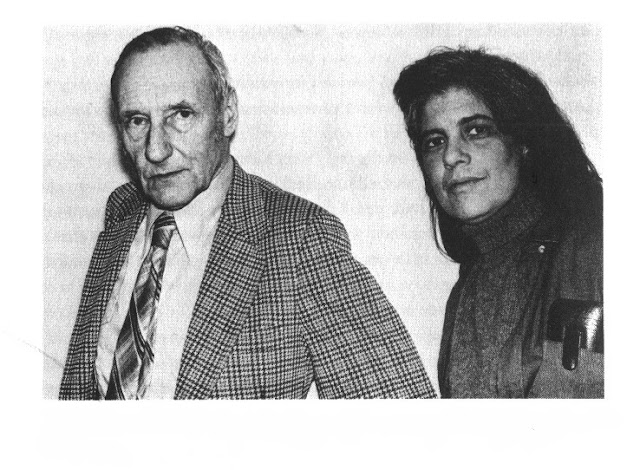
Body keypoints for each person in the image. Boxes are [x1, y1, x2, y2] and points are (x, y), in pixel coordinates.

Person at [59, 26, 435, 399]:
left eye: (181, 114)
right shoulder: (120, 213)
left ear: (228, 115)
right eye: (137, 120)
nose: (155, 150)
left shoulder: (301, 239)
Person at [393, 47, 603, 398]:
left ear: (522, 143)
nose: (450, 156)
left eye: (476, 131)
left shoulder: (600, 247)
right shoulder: (470, 283)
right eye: (434, 141)